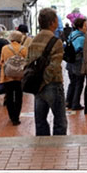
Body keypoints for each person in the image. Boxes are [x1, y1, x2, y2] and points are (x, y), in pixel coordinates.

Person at [27, 8, 67, 136]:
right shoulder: (56, 42)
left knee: (40, 121)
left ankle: (43, 146)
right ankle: (57, 147)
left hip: (37, 86)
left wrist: (39, 83)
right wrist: (45, 80)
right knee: (60, 121)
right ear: (52, 22)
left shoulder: (33, 41)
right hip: (53, 84)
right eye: (56, 20)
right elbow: (54, 66)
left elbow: (28, 63)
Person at [0, 31, 28, 125]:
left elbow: (1, 61)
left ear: (11, 38)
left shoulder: (5, 48)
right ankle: (16, 117)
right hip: (20, 76)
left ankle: (12, 116)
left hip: (7, 76)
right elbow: (27, 62)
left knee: (9, 97)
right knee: (19, 97)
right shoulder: (24, 49)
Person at [65, 17, 87, 111]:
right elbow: (81, 50)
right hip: (78, 63)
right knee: (79, 83)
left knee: (72, 83)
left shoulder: (72, 34)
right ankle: (75, 103)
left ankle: (68, 101)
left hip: (70, 63)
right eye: (85, 25)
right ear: (80, 27)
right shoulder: (81, 38)